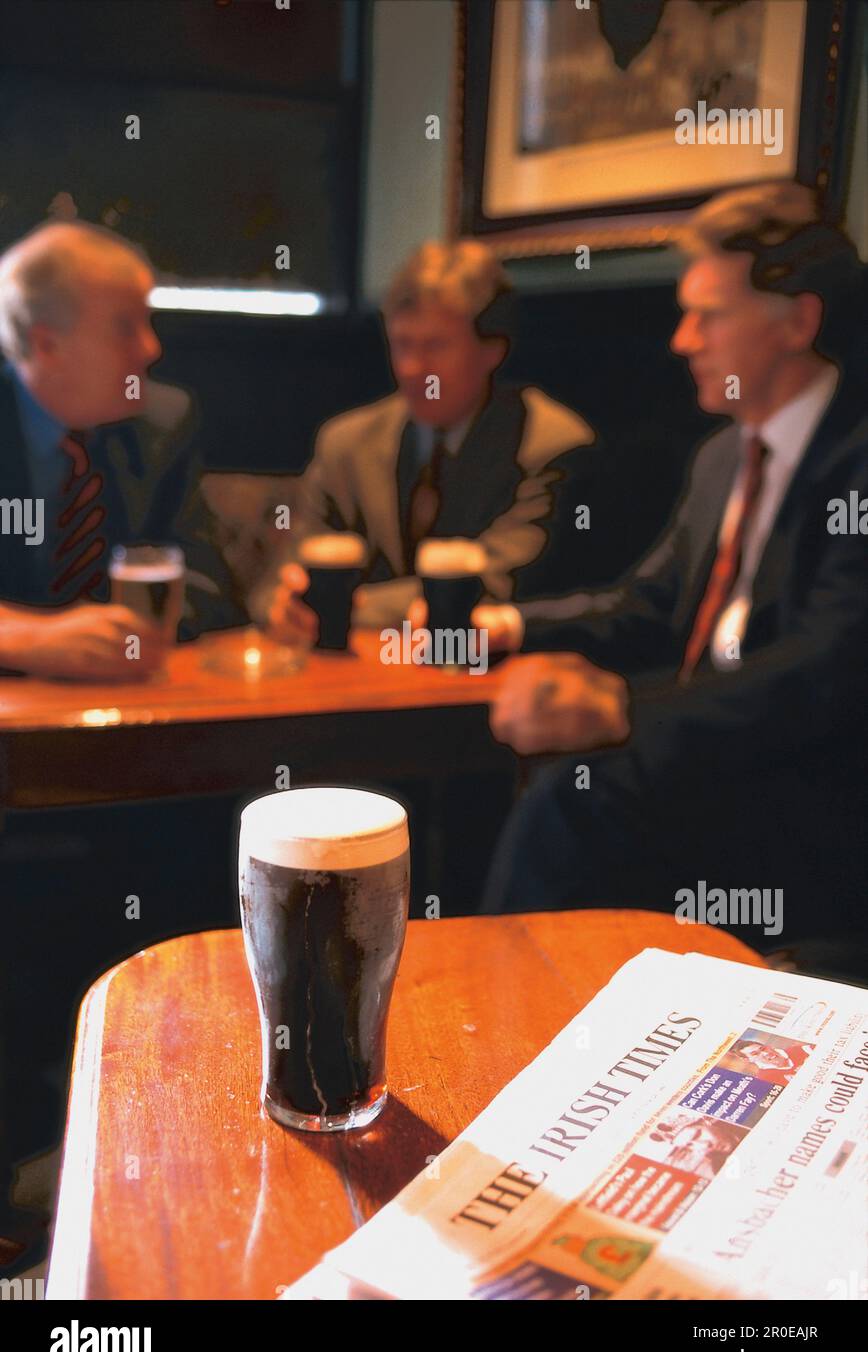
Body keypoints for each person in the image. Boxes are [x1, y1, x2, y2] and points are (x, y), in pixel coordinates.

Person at [475, 182, 867, 970]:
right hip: (715, 761)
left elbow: (831, 669)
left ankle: (496, 1021)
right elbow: (648, 605)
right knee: (530, 768)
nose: (684, 340)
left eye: (709, 315)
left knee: (572, 800)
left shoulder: (856, 458)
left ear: (799, 321)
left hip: (815, 793)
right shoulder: (723, 456)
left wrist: (623, 707)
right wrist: (510, 627)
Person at [261, 239, 595, 641]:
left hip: (474, 677)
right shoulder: (345, 443)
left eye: (436, 346)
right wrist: (286, 604)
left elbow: (490, 587)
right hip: (352, 674)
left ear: (494, 348)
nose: (413, 368)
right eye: (402, 344)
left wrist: (346, 605)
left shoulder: (549, 446)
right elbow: (279, 580)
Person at [0, 220, 246, 680]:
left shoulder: (163, 424)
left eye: (147, 322)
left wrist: (118, 637)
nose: (151, 349)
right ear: (47, 344)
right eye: (125, 327)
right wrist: (32, 638)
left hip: (129, 706)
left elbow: (209, 586)